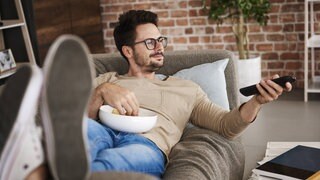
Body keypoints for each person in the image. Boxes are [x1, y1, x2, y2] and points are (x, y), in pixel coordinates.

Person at [0, 10, 292, 180]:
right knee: (81, 135)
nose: (159, 46)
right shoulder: (106, 79)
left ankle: (31, 170)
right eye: (150, 41)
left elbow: (227, 126)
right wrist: (101, 92)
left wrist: (256, 101)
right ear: (128, 51)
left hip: (147, 144)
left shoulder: (186, 89)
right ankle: (33, 150)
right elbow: (75, 120)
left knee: (108, 165)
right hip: (99, 128)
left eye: (160, 39)